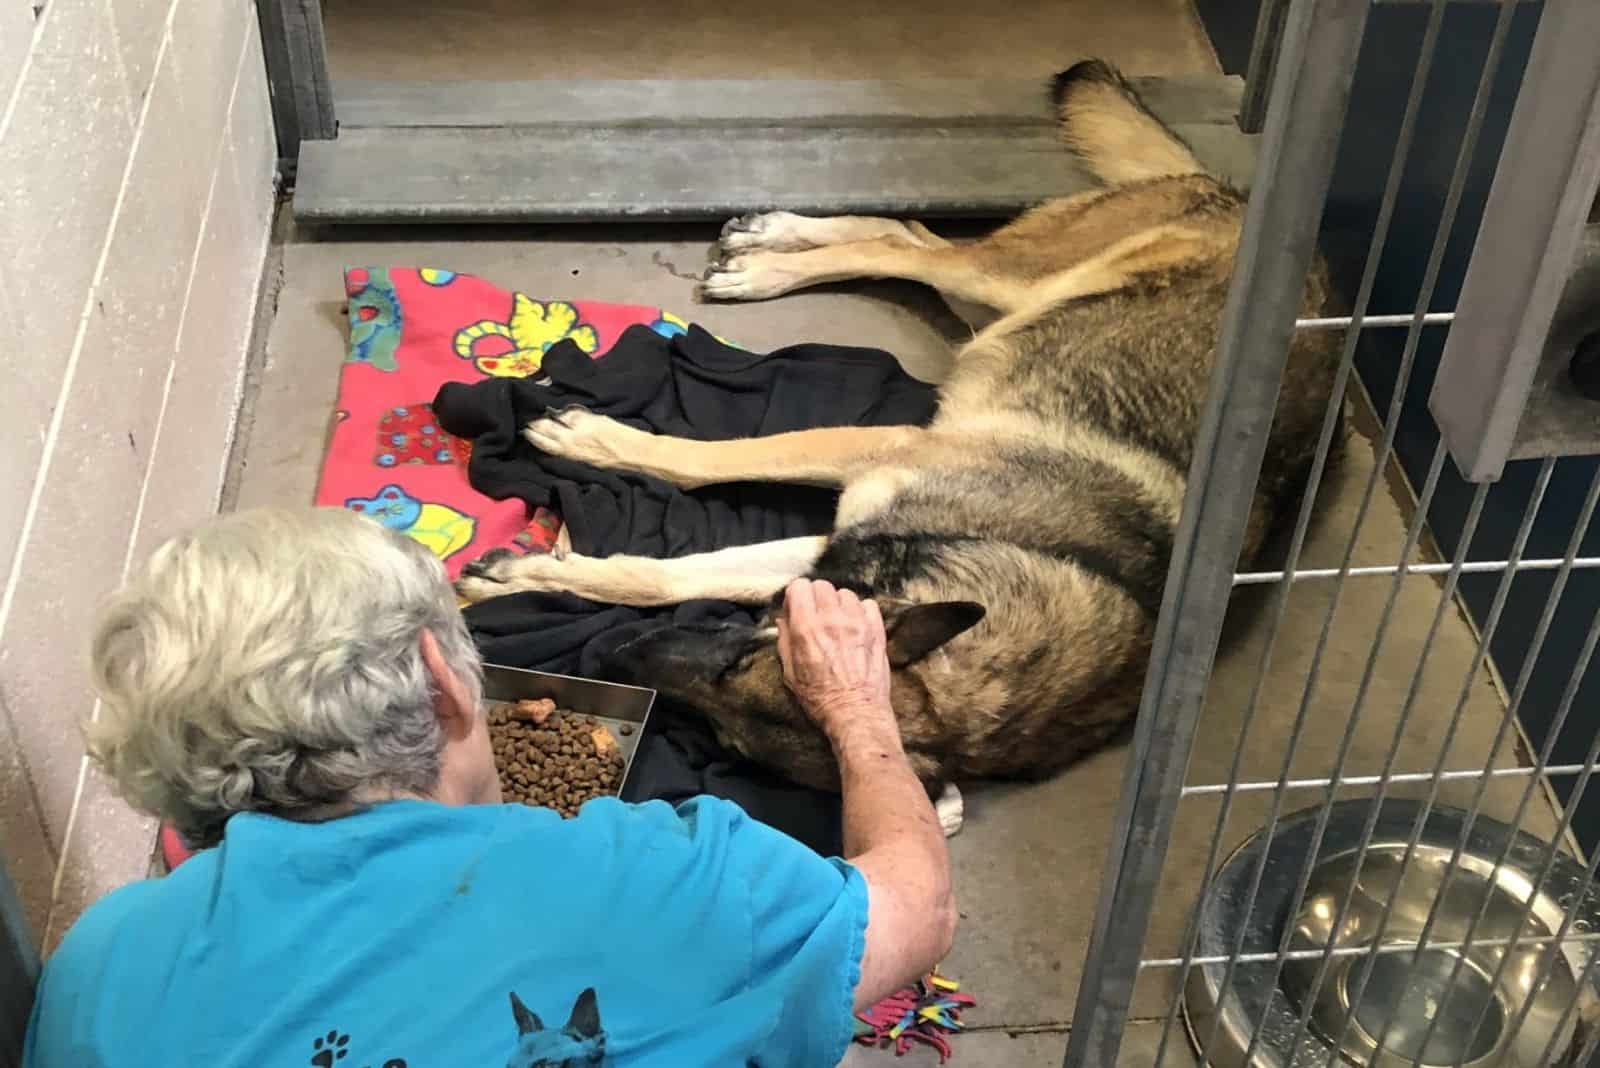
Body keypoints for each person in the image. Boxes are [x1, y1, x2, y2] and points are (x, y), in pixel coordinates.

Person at [24, 507, 955, 1067]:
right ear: (442, 677)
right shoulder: (668, 876)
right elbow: (917, 911)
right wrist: (854, 705)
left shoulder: (95, 970)